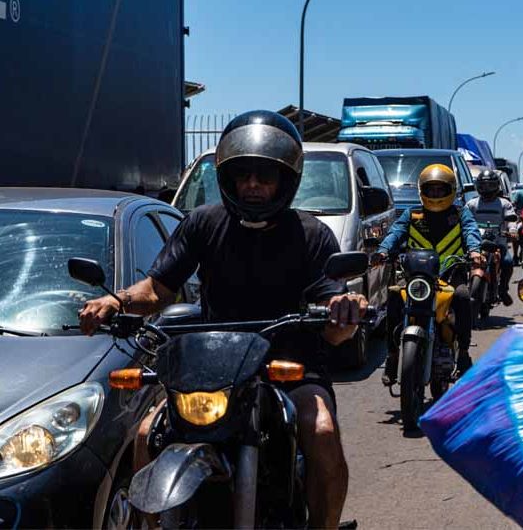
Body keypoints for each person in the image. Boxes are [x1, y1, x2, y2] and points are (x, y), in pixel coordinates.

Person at [79, 110, 367, 529]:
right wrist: (116, 300)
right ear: (227, 178)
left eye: (265, 175)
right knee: (145, 434)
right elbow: (157, 290)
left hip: (289, 367)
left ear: (286, 180)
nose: (252, 185)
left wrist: (346, 309)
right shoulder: (202, 223)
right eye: (242, 174)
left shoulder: (311, 234)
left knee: (321, 431)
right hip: (214, 368)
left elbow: (336, 322)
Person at [371, 163, 483, 385]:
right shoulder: (412, 214)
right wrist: (383, 251)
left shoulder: (460, 213)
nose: (436, 195)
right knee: (394, 296)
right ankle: (393, 356)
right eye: (431, 190)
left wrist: (475, 251)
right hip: (416, 276)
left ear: (451, 190)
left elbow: (471, 232)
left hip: (450, 273)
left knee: (462, 296)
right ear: (422, 190)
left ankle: (463, 352)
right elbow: (395, 233)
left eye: (440, 190)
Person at [466, 169, 517, 306]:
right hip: (477, 243)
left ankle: (503, 290)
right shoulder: (472, 204)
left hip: (498, 243)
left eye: (490, 185)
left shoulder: (504, 203)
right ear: (478, 187)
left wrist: (512, 230)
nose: (487, 189)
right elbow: (464, 219)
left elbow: (511, 220)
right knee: (461, 262)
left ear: (497, 186)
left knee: (508, 262)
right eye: (483, 186)